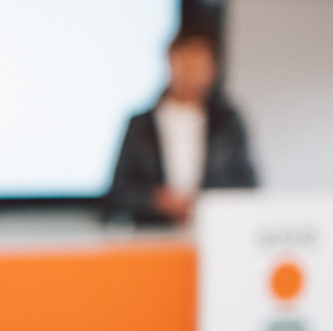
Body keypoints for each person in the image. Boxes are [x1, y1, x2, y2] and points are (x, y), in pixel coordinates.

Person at [104, 27, 257, 225]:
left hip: (213, 230)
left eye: (201, 66)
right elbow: (119, 190)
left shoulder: (227, 123)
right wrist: (155, 200)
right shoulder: (141, 125)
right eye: (187, 64)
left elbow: (247, 184)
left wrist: (203, 202)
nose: (193, 74)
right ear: (171, 61)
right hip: (156, 233)